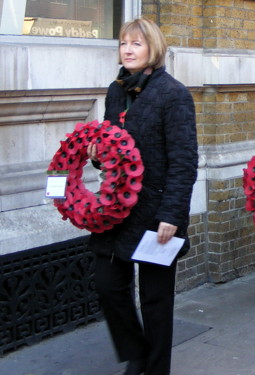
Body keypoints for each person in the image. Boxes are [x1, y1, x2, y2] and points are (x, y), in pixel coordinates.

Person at [86, 18, 198, 375]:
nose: (128, 50)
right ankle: (136, 353)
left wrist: (172, 214)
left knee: (155, 299)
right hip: (115, 209)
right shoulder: (115, 90)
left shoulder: (173, 93)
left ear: (153, 48)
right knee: (107, 286)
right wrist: (94, 153)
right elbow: (110, 145)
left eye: (136, 43)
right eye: (123, 43)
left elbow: (184, 161)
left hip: (157, 211)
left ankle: (155, 368)